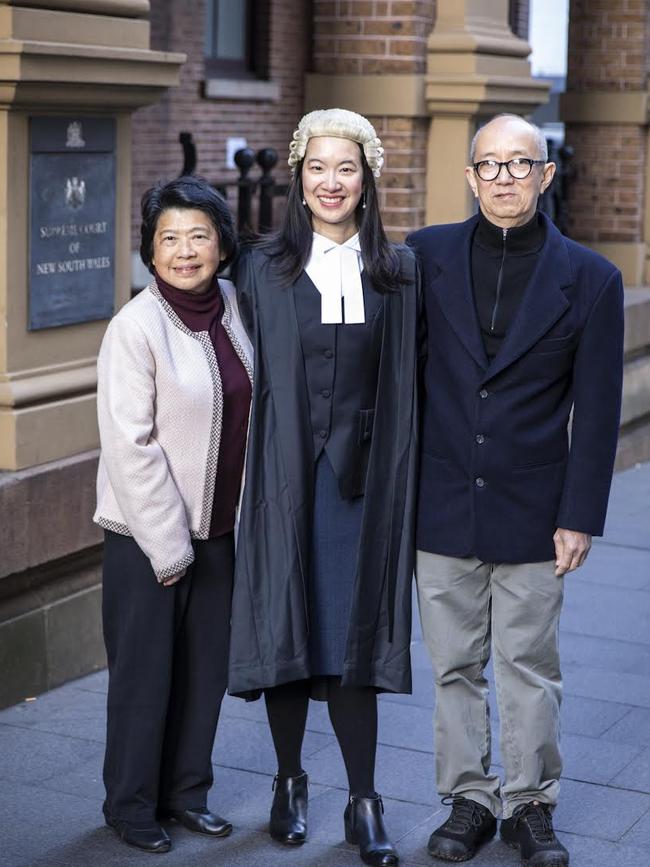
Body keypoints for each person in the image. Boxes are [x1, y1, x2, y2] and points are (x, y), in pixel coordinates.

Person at [408, 114, 624, 866]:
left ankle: (529, 803)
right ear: (470, 177)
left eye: (520, 163)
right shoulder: (423, 255)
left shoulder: (592, 278)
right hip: (439, 502)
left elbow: (597, 412)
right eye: (490, 164)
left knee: (528, 665)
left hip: (536, 508)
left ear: (546, 174)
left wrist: (580, 516)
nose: (504, 176)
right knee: (454, 666)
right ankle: (468, 798)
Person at [228, 109, 420, 867]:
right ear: (298, 178)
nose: (330, 182)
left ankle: (364, 799)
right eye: (317, 167)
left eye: (346, 168)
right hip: (280, 477)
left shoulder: (397, 271)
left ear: (366, 177)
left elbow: (411, 379)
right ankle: (286, 782)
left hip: (358, 486)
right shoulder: (261, 268)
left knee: (349, 638)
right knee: (286, 626)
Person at [94, 176, 253, 853]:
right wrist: (168, 547)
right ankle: (130, 804)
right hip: (148, 541)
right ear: (149, 250)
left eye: (198, 235)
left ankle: (187, 793)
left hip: (221, 531)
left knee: (203, 674)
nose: (185, 250)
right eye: (169, 238)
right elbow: (130, 444)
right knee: (145, 676)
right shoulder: (135, 327)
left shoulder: (236, 306)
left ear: (221, 243)